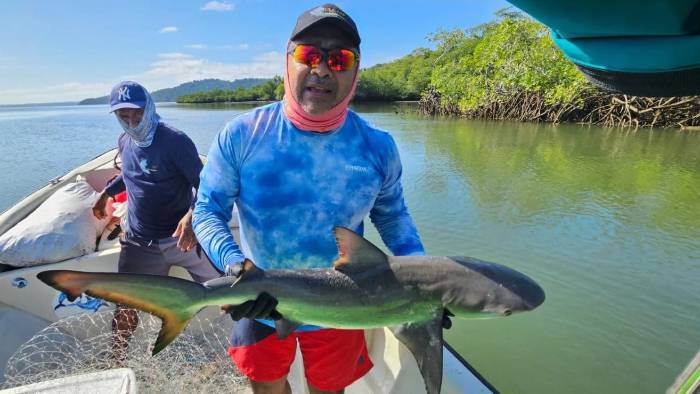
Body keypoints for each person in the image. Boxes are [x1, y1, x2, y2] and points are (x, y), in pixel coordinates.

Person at [192, 4, 426, 394]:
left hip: (343, 306)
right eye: (309, 55)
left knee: (329, 390)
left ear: (355, 71)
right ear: (288, 61)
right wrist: (236, 269)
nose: (321, 69)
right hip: (261, 301)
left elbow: (394, 219)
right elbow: (207, 211)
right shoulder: (241, 135)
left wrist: (426, 278)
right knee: (267, 387)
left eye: (339, 58)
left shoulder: (377, 147)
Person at [92, 81, 220, 361]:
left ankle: (248, 346)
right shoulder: (125, 141)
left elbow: (208, 186)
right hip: (140, 242)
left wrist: (192, 217)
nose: (131, 122)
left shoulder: (175, 141)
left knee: (229, 289)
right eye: (123, 116)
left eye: (137, 114)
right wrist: (106, 193)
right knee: (125, 305)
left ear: (149, 107)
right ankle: (115, 360)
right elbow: (130, 173)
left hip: (182, 237)